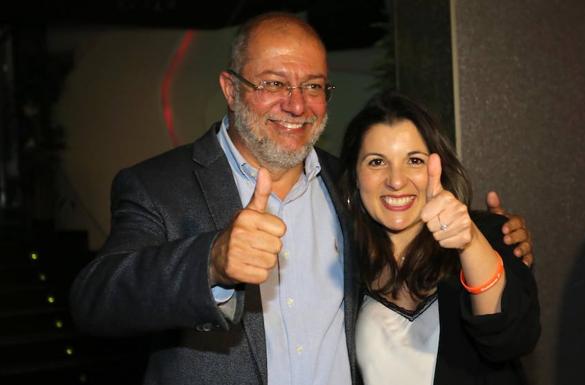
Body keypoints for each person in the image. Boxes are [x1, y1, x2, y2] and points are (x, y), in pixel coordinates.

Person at [70, 12, 534, 385]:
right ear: (231, 89)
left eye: (312, 85)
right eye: (273, 83)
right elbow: (95, 300)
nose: (296, 104)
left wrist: (490, 237)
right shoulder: (158, 186)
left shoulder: (349, 188)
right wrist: (211, 261)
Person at [340, 91, 540, 385]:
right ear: (356, 175)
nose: (396, 181)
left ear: (439, 168)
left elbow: (511, 339)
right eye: (377, 162)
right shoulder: (343, 263)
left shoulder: (489, 236)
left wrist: (469, 241)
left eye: (415, 160)